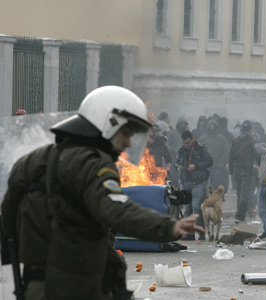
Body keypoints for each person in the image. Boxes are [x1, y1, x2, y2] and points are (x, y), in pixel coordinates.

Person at [1, 86, 205, 300]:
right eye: (125, 134)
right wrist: (168, 227)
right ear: (107, 124)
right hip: (79, 287)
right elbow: (117, 209)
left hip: (34, 286)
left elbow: (8, 221)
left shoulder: (32, 161)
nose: (127, 143)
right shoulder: (93, 165)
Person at [175, 130, 213, 241]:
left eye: (188, 143)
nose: (186, 145)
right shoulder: (181, 150)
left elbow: (209, 161)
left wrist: (196, 166)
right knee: (187, 209)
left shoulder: (201, 148)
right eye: (184, 143)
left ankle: (201, 233)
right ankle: (189, 234)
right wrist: (178, 166)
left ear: (192, 139)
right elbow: (176, 162)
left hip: (197, 182)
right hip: (185, 181)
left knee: (196, 207)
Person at [228, 120, 259, 223]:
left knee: (239, 193)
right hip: (246, 170)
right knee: (244, 194)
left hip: (237, 169)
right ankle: (240, 216)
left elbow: (231, 156)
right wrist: (258, 164)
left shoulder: (235, 140)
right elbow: (257, 155)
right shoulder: (253, 141)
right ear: (250, 129)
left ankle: (240, 215)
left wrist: (231, 171)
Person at [198, 119, 230, 201]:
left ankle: (219, 196)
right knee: (204, 183)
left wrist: (226, 162)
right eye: (211, 126)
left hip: (218, 165)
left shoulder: (221, 139)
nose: (212, 128)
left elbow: (225, 151)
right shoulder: (203, 138)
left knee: (217, 182)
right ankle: (205, 197)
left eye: (214, 126)